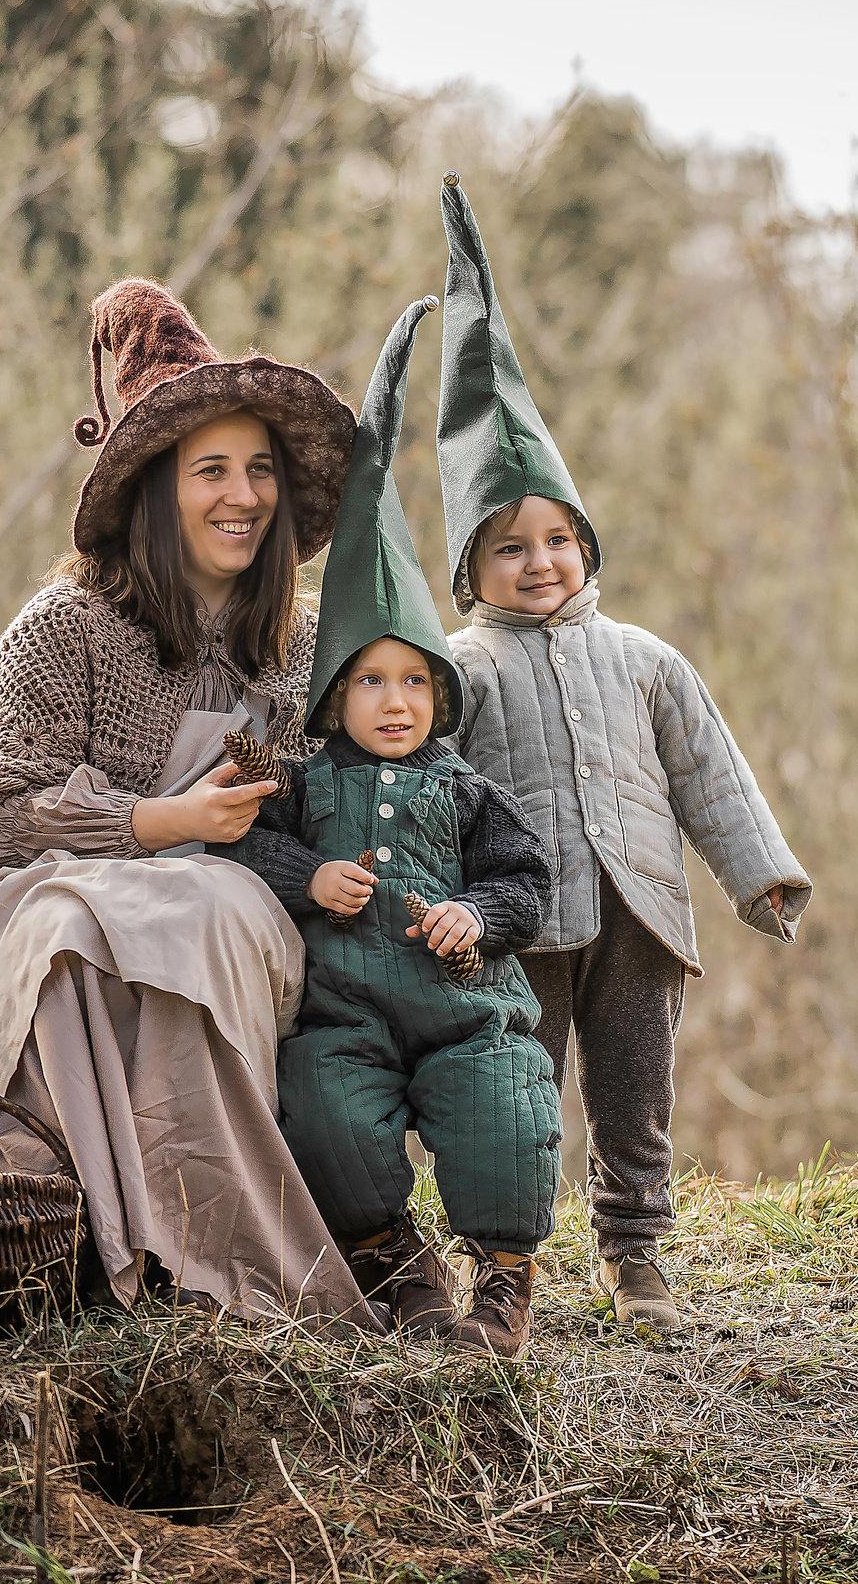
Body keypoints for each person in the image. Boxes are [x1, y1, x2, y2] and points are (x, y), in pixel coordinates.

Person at [0, 277, 379, 1329]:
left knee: (206, 909)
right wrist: (157, 824)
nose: (242, 495)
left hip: (238, 907)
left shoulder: (305, 646)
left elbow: (348, 797)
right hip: (56, 893)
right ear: (154, 489)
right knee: (65, 931)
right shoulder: (66, 626)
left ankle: (208, 1247)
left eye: (259, 470)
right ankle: (59, 1239)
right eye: (210, 470)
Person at [432, 177, 814, 1333]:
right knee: (516, 1094)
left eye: (558, 539)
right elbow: (422, 791)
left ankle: (635, 1255)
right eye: (509, 548)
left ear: (586, 547)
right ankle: (503, 1262)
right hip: (519, 922)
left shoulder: (645, 659)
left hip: (640, 911)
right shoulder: (457, 669)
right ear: (470, 569)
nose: (539, 562)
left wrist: (758, 873)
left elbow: (710, 773)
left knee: (635, 1091)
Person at [222, 297, 560, 1357]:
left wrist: (476, 915)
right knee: (322, 1106)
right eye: (370, 681)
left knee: (505, 1101)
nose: (396, 700)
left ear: (440, 693)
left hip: (463, 1008)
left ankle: (500, 1282)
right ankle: (393, 1263)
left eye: (416, 680)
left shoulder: (464, 787)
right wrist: (307, 878)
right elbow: (241, 842)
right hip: (346, 1013)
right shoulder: (299, 779)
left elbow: (525, 878)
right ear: (333, 696)